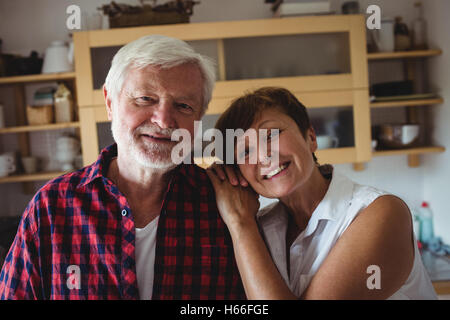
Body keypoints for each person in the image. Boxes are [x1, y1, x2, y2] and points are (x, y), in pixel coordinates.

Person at [0, 35, 245, 300]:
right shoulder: (51, 207)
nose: (163, 121)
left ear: (198, 118)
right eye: (144, 98)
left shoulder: (224, 206)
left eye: (183, 105)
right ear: (109, 103)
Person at [207, 87, 437, 300]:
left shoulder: (380, 212)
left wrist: (240, 223)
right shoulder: (261, 229)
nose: (264, 156)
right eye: (246, 151)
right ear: (239, 174)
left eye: (271, 134)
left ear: (311, 138)